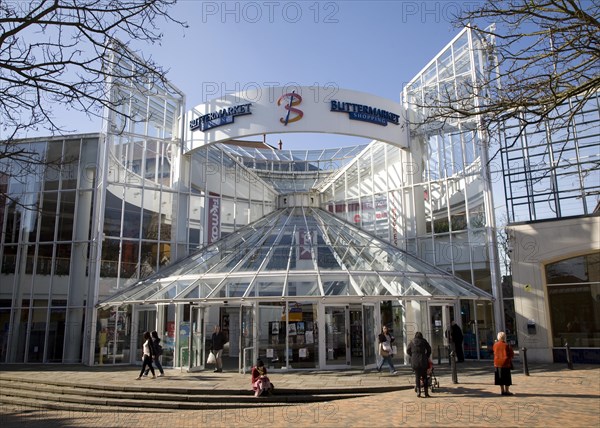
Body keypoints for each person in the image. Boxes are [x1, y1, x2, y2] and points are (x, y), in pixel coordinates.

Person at [407, 331, 432, 398]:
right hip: (423, 360)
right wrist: (427, 355)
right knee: (425, 377)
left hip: (415, 361)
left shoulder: (412, 342)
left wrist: (412, 355)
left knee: (417, 377)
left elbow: (407, 350)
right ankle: (426, 392)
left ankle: (418, 392)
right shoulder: (424, 341)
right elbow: (429, 349)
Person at [493, 331, 514, 396]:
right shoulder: (506, 345)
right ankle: (507, 390)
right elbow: (511, 354)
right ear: (504, 337)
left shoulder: (495, 344)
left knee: (500, 377)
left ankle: (502, 390)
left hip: (497, 363)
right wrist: (510, 358)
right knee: (507, 377)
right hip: (505, 363)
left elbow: (494, 352)